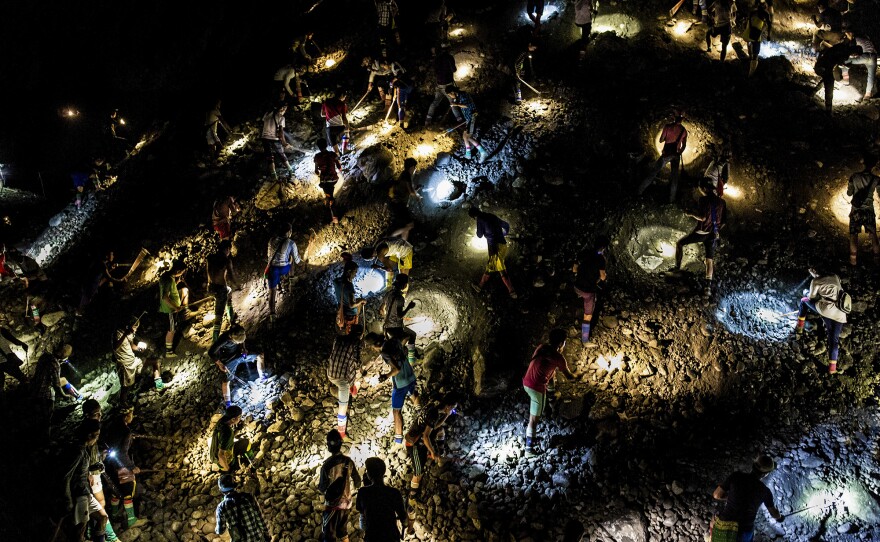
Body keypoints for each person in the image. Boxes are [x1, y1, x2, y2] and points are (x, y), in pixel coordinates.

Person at [522, 329, 581, 454]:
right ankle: (528, 450)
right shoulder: (558, 357)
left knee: (539, 408)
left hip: (526, 382)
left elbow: (547, 371)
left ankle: (551, 400)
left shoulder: (541, 347)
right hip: (536, 388)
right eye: (564, 342)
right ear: (561, 343)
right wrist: (579, 376)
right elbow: (569, 377)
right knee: (534, 419)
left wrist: (551, 394)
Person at [670, 182, 726, 294]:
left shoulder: (703, 200)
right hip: (713, 234)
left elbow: (702, 217)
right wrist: (717, 231)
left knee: (680, 244)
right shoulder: (722, 202)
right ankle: (707, 288)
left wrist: (690, 213)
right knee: (709, 260)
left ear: (705, 189)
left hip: (702, 233)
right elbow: (724, 222)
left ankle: (677, 268)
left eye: (700, 188)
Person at [712, 455, 784, 541]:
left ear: (753, 465)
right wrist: (780, 517)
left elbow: (716, 495)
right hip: (743, 530)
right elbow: (774, 513)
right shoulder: (765, 491)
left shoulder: (736, 476)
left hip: (725, 523)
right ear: (766, 474)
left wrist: (730, 497)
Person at [404, 393, 458, 508]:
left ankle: (440, 454)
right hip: (413, 443)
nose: (453, 410)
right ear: (448, 406)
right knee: (418, 473)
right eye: (453, 408)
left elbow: (435, 426)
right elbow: (425, 437)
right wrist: (432, 452)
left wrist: (446, 416)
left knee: (441, 431)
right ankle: (411, 498)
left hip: (421, 435)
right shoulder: (433, 414)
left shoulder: (435, 402)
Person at [59, 419, 109, 542]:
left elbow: (80, 470)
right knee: (80, 532)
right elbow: (66, 476)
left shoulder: (84, 448)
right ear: (89, 435)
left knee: (103, 517)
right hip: (79, 494)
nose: (97, 439)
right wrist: (68, 500)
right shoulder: (79, 450)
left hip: (86, 492)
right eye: (96, 435)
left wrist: (93, 468)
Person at [366, 331, 420, 445]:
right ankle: (420, 417)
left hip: (400, 382)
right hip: (410, 373)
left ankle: (398, 439)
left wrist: (385, 376)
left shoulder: (385, 352)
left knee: (396, 411)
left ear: (375, 345)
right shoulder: (394, 340)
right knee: (413, 393)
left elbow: (396, 370)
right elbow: (406, 336)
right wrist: (403, 350)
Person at [795, 268, 848, 374]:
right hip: (841, 313)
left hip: (827, 311)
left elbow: (812, 297)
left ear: (815, 272)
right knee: (834, 340)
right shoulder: (835, 276)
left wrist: (808, 293)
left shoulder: (816, 281)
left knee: (803, 301)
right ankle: (832, 369)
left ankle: (799, 328)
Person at [104, 406, 146, 528]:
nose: (132, 416)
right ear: (126, 416)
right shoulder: (125, 431)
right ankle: (132, 520)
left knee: (115, 490)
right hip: (121, 466)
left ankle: (114, 514)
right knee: (128, 490)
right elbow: (122, 453)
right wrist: (131, 467)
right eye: (131, 414)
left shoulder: (111, 426)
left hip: (109, 464)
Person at [319, 429, 362, 542]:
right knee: (343, 531)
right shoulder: (348, 461)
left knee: (329, 535)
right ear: (341, 445)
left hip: (332, 505)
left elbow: (322, 487)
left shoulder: (326, 466)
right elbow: (358, 481)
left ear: (328, 446)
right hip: (347, 504)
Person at [355, 457, 411, 541]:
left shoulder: (363, 492)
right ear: (384, 472)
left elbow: (363, 522)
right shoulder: (394, 493)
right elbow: (404, 520)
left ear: (369, 474)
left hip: (372, 538)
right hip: (391, 537)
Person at [210, 325, 267, 407]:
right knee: (226, 380)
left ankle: (262, 376)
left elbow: (242, 341)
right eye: (237, 342)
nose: (238, 343)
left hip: (239, 354)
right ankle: (228, 403)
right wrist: (220, 364)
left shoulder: (240, 331)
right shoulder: (223, 340)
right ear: (231, 338)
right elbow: (211, 352)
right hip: (229, 360)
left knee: (260, 355)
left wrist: (243, 348)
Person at [637, 111, 688, 203]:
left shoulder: (668, 127)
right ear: (682, 119)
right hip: (675, 155)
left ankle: (639, 191)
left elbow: (661, 140)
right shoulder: (684, 131)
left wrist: (666, 138)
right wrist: (679, 153)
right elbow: (684, 145)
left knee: (653, 172)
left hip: (666, 154)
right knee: (674, 179)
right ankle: (671, 200)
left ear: (674, 117)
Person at [114, 316, 163, 404]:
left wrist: (140, 349)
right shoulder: (117, 333)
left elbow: (132, 346)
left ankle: (159, 386)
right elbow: (115, 347)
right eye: (135, 327)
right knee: (126, 388)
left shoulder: (130, 333)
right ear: (129, 326)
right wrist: (125, 334)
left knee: (156, 361)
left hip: (134, 360)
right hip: (125, 365)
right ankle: (124, 407)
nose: (136, 330)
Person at [32, 344, 82, 433]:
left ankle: (78, 396)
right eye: (66, 356)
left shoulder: (45, 356)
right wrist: (64, 396)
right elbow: (56, 385)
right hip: (44, 393)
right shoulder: (55, 364)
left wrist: (60, 362)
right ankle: (45, 438)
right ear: (63, 355)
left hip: (34, 386)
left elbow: (49, 373)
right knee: (47, 417)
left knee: (64, 380)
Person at [469, 207, 517, 298]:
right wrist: (503, 234)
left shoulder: (480, 219)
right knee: (490, 266)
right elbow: (506, 225)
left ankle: (512, 291)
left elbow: (479, 235)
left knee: (501, 269)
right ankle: (479, 286)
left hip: (494, 248)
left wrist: (480, 230)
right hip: (503, 245)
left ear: (474, 216)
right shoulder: (491, 216)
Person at [328, 324, 365, 439]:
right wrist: (362, 369)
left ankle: (352, 389)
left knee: (349, 369)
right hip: (342, 379)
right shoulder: (356, 343)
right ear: (360, 335)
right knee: (343, 406)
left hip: (330, 373)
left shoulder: (338, 338)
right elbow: (356, 362)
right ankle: (341, 433)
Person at [572, 236, 608, 344]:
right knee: (588, 316)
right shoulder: (601, 259)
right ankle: (585, 340)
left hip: (576, 287)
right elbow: (602, 277)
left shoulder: (583, 253)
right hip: (588, 292)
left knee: (581, 294)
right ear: (602, 248)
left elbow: (574, 269)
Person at [265, 224, 304, 322]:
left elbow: (268, 255)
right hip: (283, 268)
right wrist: (304, 264)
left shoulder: (271, 240)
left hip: (272, 269)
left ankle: (272, 316)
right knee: (291, 259)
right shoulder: (291, 243)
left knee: (272, 292)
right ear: (289, 232)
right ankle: (291, 280)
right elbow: (297, 260)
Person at [215, 474, 271, 542]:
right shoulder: (249, 497)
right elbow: (261, 520)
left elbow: (220, 530)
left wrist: (217, 529)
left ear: (221, 490)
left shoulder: (221, 507)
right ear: (235, 485)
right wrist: (267, 534)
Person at [813, 42, 862, 115]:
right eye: (855, 55)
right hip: (823, 67)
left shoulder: (844, 46)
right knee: (829, 85)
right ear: (855, 53)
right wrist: (846, 65)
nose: (854, 56)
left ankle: (812, 93)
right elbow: (839, 61)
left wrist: (843, 64)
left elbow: (835, 56)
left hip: (821, 64)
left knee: (827, 79)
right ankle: (828, 111)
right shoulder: (845, 53)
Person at [846, 159, 880, 265]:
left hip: (855, 211)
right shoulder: (876, 179)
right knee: (873, 234)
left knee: (853, 235)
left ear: (863, 164)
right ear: (873, 166)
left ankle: (853, 261)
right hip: (869, 211)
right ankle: (877, 259)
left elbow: (849, 193)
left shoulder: (854, 176)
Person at [207, 240, 239, 341]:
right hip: (220, 290)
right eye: (229, 249)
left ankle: (231, 318)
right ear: (227, 249)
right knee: (218, 315)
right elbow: (231, 275)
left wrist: (208, 285)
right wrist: (237, 285)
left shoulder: (210, 257)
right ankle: (215, 339)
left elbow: (208, 272)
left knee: (229, 291)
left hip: (211, 287)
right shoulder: (226, 260)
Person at [381, 274, 418, 362]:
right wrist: (409, 307)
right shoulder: (400, 298)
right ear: (404, 285)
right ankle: (411, 359)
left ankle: (403, 355)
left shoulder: (388, 293)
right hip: (395, 328)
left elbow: (381, 309)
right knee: (412, 335)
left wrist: (387, 318)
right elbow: (399, 316)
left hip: (386, 326)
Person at [78, 251, 127, 316]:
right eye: (112, 254)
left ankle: (80, 314)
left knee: (85, 303)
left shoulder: (100, 263)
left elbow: (103, 276)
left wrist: (111, 269)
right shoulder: (102, 265)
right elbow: (109, 277)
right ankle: (79, 315)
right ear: (107, 256)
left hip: (91, 286)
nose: (113, 256)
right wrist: (121, 280)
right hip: (91, 287)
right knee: (85, 304)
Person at [447, 87, 489, 163]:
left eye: (450, 95)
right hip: (468, 118)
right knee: (464, 136)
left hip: (473, 117)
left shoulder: (463, 95)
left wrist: (455, 104)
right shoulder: (458, 97)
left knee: (469, 137)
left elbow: (466, 105)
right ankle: (468, 154)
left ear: (452, 92)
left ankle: (483, 152)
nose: (450, 97)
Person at [425, 45, 463, 125]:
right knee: (453, 103)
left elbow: (434, 71)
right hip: (448, 84)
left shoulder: (437, 59)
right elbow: (454, 70)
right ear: (448, 50)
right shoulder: (449, 57)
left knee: (435, 102)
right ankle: (460, 121)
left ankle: (428, 120)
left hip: (439, 84)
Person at [158, 259, 188, 357]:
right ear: (177, 271)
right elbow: (165, 297)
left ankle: (168, 350)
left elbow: (168, 290)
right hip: (169, 310)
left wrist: (177, 282)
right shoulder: (169, 280)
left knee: (171, 329)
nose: (181, 274)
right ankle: (169, 352)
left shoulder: (165, 277)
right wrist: (176, 307)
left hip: (167, 309)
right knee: (171, 330)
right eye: (182, 272)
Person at [387, 158, 421, 240]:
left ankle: (403, 244)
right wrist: (418, 196)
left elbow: (407, 190)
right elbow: (411, 191)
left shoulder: (404, 174)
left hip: (396, 203)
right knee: (410, 225)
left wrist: (415, 191)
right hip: (398, 204)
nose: (415, 170)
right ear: (412, 167)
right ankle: (389, 238)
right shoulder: (407, 175)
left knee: (407, 225)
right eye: (415, 167)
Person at [260, 104, 295, 181]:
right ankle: (291, 171)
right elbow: (281, 132)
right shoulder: (281, 117)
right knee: (282, 155)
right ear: (282, 109)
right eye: (285, 109)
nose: (285, 111)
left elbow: (264, 122)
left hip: (265, 138)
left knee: (270, 157)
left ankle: (274, 175)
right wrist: (284, 143)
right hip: (274, 139)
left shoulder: (267, 114)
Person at [314, 138, 343, 224]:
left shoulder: (317, 156)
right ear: (326, 145)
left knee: (330, 197)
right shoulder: (332, 154)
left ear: (318, 147)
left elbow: (316, 171)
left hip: (325, 181)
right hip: (334, 179)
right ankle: (328, 202)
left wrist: (320, 172)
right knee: (329, 193)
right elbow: (339, 167)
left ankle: (335, 217)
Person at [334, 261, 367, 335]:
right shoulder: (349, 285)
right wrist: (362, 300)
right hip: (350, 314)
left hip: (341, 311)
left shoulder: (336, 281)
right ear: (349, 271)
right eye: (354, 272)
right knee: (359, 301)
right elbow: (351, 305)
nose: (355, 275)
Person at [843, 30, 876, 100]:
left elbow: (853, 51)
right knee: (871, 76)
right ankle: (867, 94)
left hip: (865, 56)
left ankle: (845, 80)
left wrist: (852, 56)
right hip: (873, 57)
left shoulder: (856, 39)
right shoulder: (868, 41)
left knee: (845, 61)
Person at [743, 1, 773, 77]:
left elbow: (747, 23)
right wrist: (768, 35)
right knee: (755, 54)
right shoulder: (765, 14)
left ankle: (750, 59)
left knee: (750, 44)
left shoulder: (752, 12)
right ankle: (751, 73)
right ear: (765, 7)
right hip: (756, 36)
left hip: (748, 34)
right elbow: (769, 25)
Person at [210, 405, 243, 473]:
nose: (240, 419)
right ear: (233, 419)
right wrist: (228, 469)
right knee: (245, 443)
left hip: (213, 455)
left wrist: (238, 429)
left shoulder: (221, 421)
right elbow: (221, 454)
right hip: (222, 461)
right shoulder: (227, 432)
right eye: (239, 417)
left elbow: (226, 438)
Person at [0, 323, 30, 395]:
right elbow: (14, 340)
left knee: (1, 382)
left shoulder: (1, 330)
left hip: (5, 359)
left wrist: (22, 344)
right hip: (6, 360)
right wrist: (22, 344)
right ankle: (27, 395)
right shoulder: (1, 330)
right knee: (22, 377)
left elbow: (14, 340)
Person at [321, 90, 351, 154]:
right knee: (346, 132)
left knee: (336, 151)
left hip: (329, 129)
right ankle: (344, 149)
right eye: (344, 96)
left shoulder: (326, 102)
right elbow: (344, 118)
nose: (344, 98)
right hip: (339, 127)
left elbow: (322, 114)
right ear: (342, 95)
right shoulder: (342, 104)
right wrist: (347, 126)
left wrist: (330, 114)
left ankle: (337, 156)